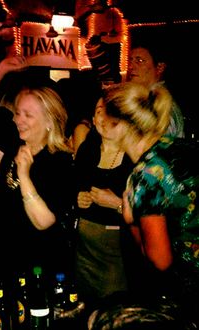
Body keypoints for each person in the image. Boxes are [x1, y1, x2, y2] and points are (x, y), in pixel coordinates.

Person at [0, 56, 75, 285]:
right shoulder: (15, 138)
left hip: (40, 265)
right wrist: (1, 68)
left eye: (28, 115)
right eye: (18, 112)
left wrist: (24, 175)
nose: (19, 120)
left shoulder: (60, 162)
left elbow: (43, 221)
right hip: (7, 257)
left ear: (50, 120)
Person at [102, 81, 199, 324]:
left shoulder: (144, 176)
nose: (100, 123)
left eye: (106, 117)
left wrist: (131, 220)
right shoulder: (179, 146)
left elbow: (160, 261)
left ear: (121, 126)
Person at [74, 94, 134, 310]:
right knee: (84, 308)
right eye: (99, 111)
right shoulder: (86, 150)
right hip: (84, 251)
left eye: (109, 111)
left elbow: (148, 216)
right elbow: (73, 188)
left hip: (118, 255)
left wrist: (117, 203)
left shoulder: (133, 157)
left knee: (115, 310)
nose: (103, 117)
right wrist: (78, 199)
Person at [127, 39, 185, 138]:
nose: (131, 66)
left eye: (139, 61)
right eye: (130, 60)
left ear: (160, 67)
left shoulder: (161, 104)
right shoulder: (146, 98)